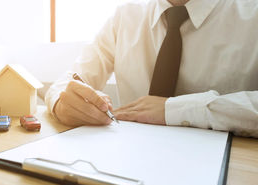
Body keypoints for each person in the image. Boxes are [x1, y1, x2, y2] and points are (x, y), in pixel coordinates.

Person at [45, 0, 258, 138]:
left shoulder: (252, 16)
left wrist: (175, 110)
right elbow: (69, 79)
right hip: (130, 162)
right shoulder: (124, 17)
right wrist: (61, 102)